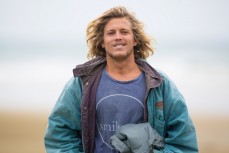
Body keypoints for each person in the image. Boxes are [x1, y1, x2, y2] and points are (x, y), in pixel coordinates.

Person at [44, 6, 198, 153]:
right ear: (102, 42)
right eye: (111, 33)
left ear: (135, 39)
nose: (118, 37)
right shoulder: (83, 82)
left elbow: (183, 141)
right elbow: (59, 132)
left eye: (124, 32)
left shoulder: (160, 84)